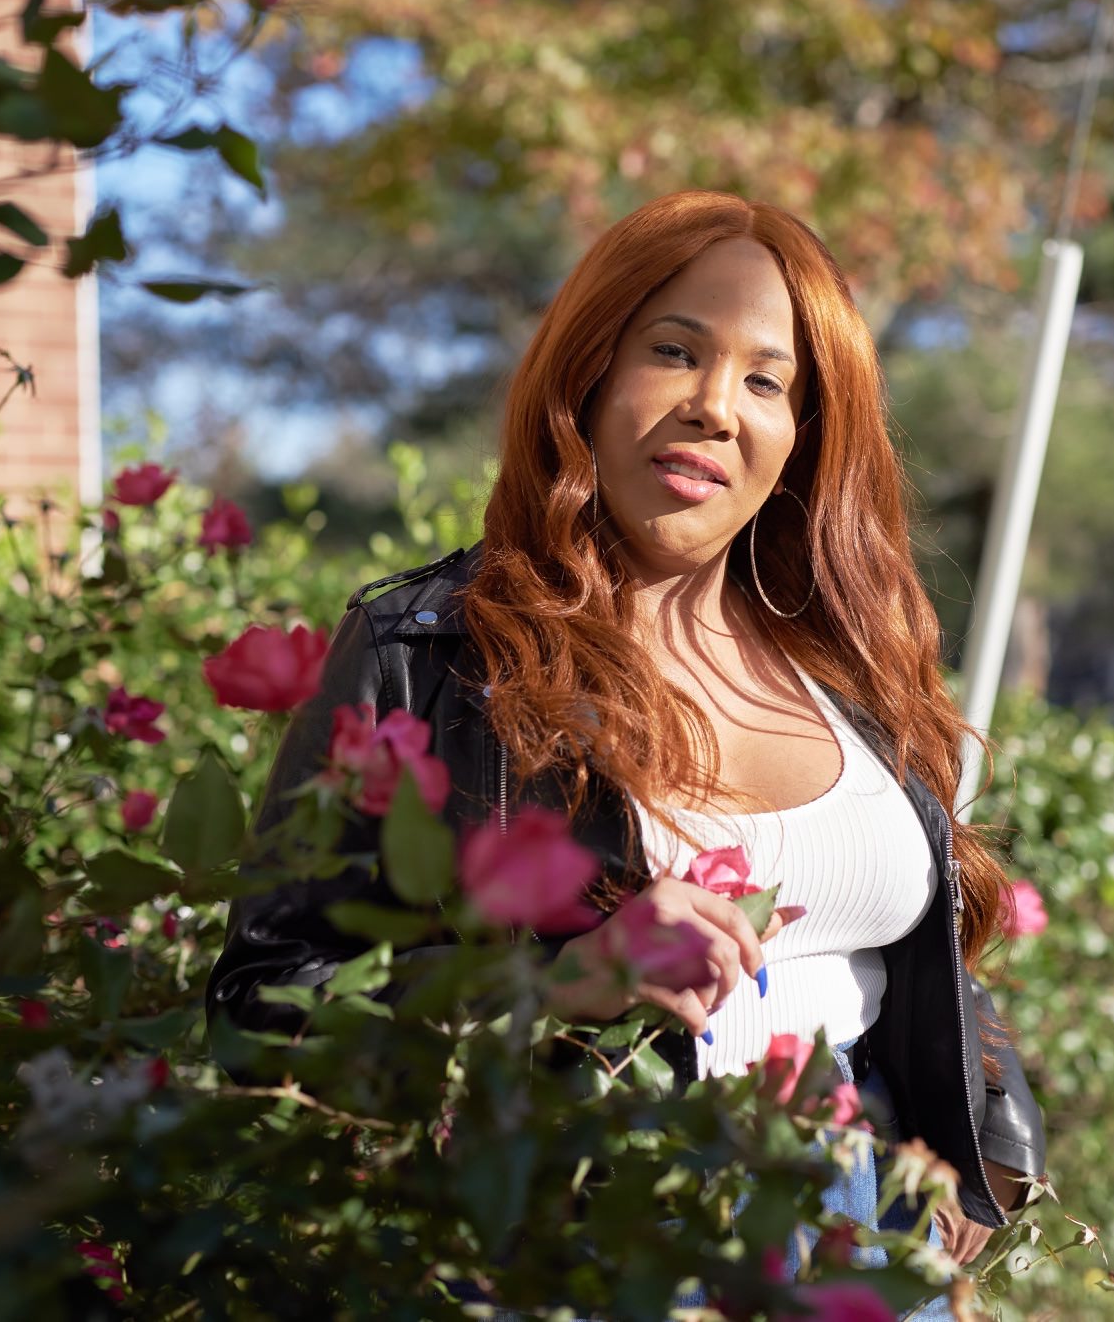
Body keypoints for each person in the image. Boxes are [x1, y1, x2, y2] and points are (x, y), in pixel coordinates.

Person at [207, 190, 1047, 1307]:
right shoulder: (429, 649)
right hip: (596, 1230)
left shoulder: (849, 666)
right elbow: (266, 1006)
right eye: (673, 350)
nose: (713, 406)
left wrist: (991, 1154)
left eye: (765, 380)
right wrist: (566, 980)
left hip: (876, 1238)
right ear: (590, 375)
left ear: (801, 440)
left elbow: (922, 951)